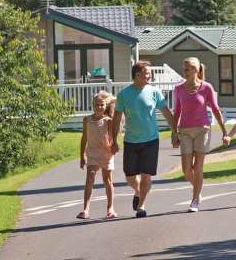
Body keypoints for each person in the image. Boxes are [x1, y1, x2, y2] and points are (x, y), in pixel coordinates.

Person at [112, 61, 176, 218]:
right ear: (137, 75)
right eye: (147, 73)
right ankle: (137, 191)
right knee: (130, 176)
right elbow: (117, 118)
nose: (150, 75)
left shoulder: (155, 92)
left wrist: (175, 131)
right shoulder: (124, 95)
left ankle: (141, 205)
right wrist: (114, 139)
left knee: (146, 174)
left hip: (151, 139)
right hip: (131, 140)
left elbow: (167, 112)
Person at [173, 57, 226, 212]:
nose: (185, 71)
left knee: (198, 167)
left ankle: (195, 199)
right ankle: (198, 188)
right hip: (184, 131)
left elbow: (215, 110)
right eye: (184, 69)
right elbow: (177, 112)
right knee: (186, 169)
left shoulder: (206, 87)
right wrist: (173, 132)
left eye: (188, 69)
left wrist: (224, 131)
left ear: (196, 70)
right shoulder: (179, 89)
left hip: (203, 129)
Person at [77, 92, 117, 219]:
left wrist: (113, 144)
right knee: (90, 178)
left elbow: (113, 137)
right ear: (92, 105)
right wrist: (82, 156)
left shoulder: (108, 121)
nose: (99, 107)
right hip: (92, 153)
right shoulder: (87, 120)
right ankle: (85, 209)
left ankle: (110, 208)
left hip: (106, 153)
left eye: (102, 105)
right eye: (96, 105)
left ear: (105, 106)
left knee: (107, 180)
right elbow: (84, 138)